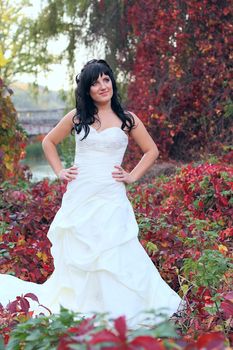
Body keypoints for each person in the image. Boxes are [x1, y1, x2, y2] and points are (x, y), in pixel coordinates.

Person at [0, 59, 185, 328]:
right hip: (81, 194)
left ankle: (123, 307)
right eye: (95, 82)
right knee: (82, 252)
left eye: (106, 79)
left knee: (116, 250)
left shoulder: (127, 119)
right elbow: (49, 141)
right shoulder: (78, 117)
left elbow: (152, 151)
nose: (102, 86)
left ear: (112, 82)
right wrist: (60, 171)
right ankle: (88, 306)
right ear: (87, 89)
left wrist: (132, 176)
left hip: (111, 195)